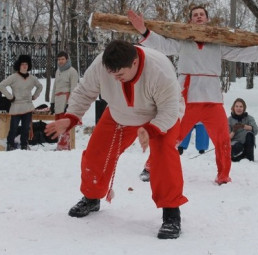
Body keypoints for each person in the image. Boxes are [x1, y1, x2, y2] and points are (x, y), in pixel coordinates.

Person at [44, 40, 188, 239]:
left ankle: (171, 213)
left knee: (164, 157)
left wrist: (151, 129)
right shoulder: (101, 65)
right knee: (96, 153)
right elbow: (85, 92)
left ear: (135, 62)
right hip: (119, 112)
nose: (115, 79)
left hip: (159, 115)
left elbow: (170, 109)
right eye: (112, 75)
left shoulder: (160, 69)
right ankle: (92, 197)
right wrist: (70, 117)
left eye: (120, 75)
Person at [128, 7, 258, 185]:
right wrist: (142, 29)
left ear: (207, 20)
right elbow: (163, 45)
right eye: (194, 15)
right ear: (190, 21)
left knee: (222, 140)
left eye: (201, 15)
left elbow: (240, 53)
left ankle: (223, 175)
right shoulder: (183, 41)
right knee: (172, 135)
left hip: (212, 100)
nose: (198, 17)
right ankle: (151, 167)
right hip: (187, 99)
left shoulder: (217, 42)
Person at [0, 55, 43, 151]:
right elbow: (1, 85)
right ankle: (10, 145)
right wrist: (10, 97)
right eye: (22, 64)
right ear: (19, 65)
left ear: (29, 65)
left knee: (25, 128)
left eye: (26, 64)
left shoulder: (32, 78)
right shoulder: (13, 77)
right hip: (16, 106)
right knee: (13, 128)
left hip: (27, 106)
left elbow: (40, 86)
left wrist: (35, 96)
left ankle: (24, 145)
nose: (24, 66)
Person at [50, 51, 79, 150]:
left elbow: (73, 89)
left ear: (67, 59)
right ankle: (59, 144)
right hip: (57, 101)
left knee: (64, 125)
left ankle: (64, 145)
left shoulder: (72, 71)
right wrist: (52, 102)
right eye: (59, 59)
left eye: (62, 59)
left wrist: (69, 104)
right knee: (58, 124)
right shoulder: (58, 71)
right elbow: (55, 88)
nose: (60, 61)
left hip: (65, 101)